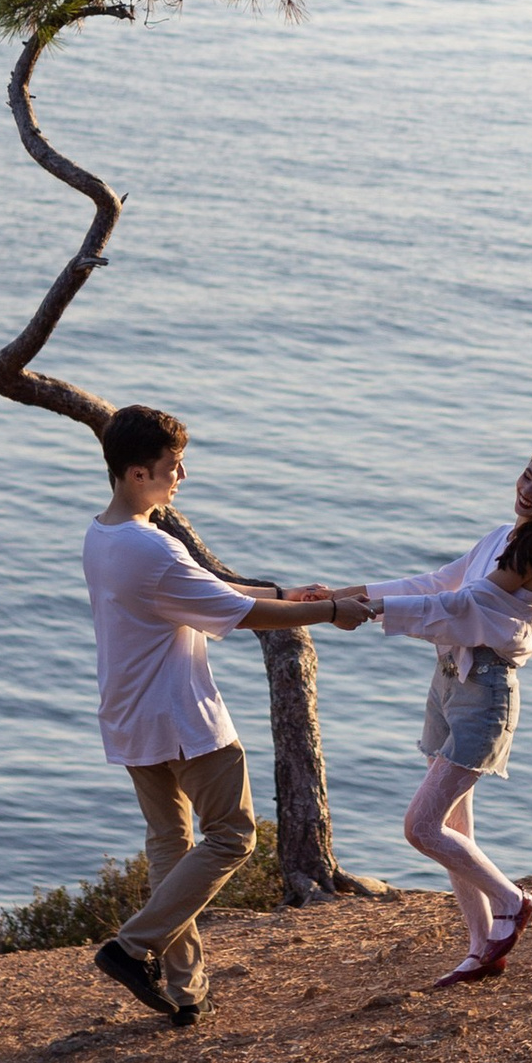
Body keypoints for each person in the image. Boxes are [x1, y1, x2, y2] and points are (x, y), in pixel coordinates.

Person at [82, 401, 364, 1027]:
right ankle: (132, 947)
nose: (181, 477)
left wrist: (291, 594)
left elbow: (211, 591)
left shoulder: (102, 536)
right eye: (172, 467)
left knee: (170, 845)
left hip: (129, 714)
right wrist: (329, 612)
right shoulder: (149, 549)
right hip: (182, 717)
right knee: (234, 836)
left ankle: (184, 989)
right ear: (136, 474)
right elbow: (239, 614)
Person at [356, 443, 532, 986]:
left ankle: (514, 901)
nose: (527, 490)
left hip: (484, 693)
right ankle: (482, 950)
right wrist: (348, 595)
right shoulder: (501, 536)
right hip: (448, 684)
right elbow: (435, 584)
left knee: (422, 828)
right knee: (455, 825)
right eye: (526, 477)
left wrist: (373, 611)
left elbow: (462, 607)